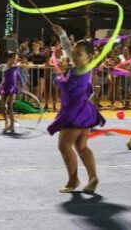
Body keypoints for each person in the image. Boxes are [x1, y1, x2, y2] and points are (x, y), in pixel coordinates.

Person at [48, 25, 105, 194]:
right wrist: (63, 35)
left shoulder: (85, 67)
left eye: (79, 54)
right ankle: (93, 177)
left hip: (75, 112)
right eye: (75, 53)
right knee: (81, 147)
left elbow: (76, 56)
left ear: (89, 57)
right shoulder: (79, 65)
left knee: (64, 145)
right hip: (81, 110)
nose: (74, 56)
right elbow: (68, 50)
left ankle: (74, 180)